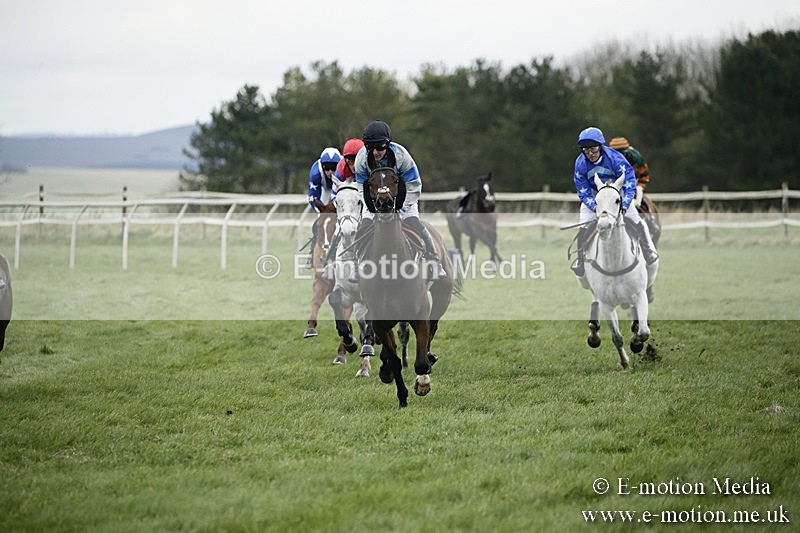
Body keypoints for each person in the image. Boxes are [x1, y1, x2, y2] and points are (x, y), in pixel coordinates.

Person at [352, 119, 445, 278]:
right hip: (375, 201)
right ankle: (357, 264)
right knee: (363, 227)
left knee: (414, 223)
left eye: (380, 147)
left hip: (404, 197)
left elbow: (414, 184)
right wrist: (372, 207)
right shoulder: (361, 159)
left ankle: (435, 261)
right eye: (370, 147)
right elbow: (361, 187)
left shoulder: (402, 156)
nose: (376, 152)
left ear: (387, 144)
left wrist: (400, 208)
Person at [571, 126, 658, 277]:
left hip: (618, 194)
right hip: (594, 195)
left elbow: (629, 180)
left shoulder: (615, 159)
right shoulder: (580, 164)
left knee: (636, 220)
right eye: (585, 150)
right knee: (583, 226)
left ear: (600, 146)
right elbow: (582, 188)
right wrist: (594, 206)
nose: (590, 153)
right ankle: (580, 261)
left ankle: (647, 251)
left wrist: (624, 204)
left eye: (593, 149)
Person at [305, 147, 342, 268]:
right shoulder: (315, 173)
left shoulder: (344, 168)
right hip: (324, 191)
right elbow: (312, 197)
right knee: (320, 223)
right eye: (327, 168)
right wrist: (323, 212)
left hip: (341, 189)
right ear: (322, 166)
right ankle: (312, 253)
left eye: (333, 168)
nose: (330, 172)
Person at [608, 137, 650, 208]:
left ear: (626, 151)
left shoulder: (637, 158)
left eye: (621, 153)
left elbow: (643, 177)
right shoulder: (607, 158)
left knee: (638, 193)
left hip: (637, 179)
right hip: (615, 181)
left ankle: (648, 213)